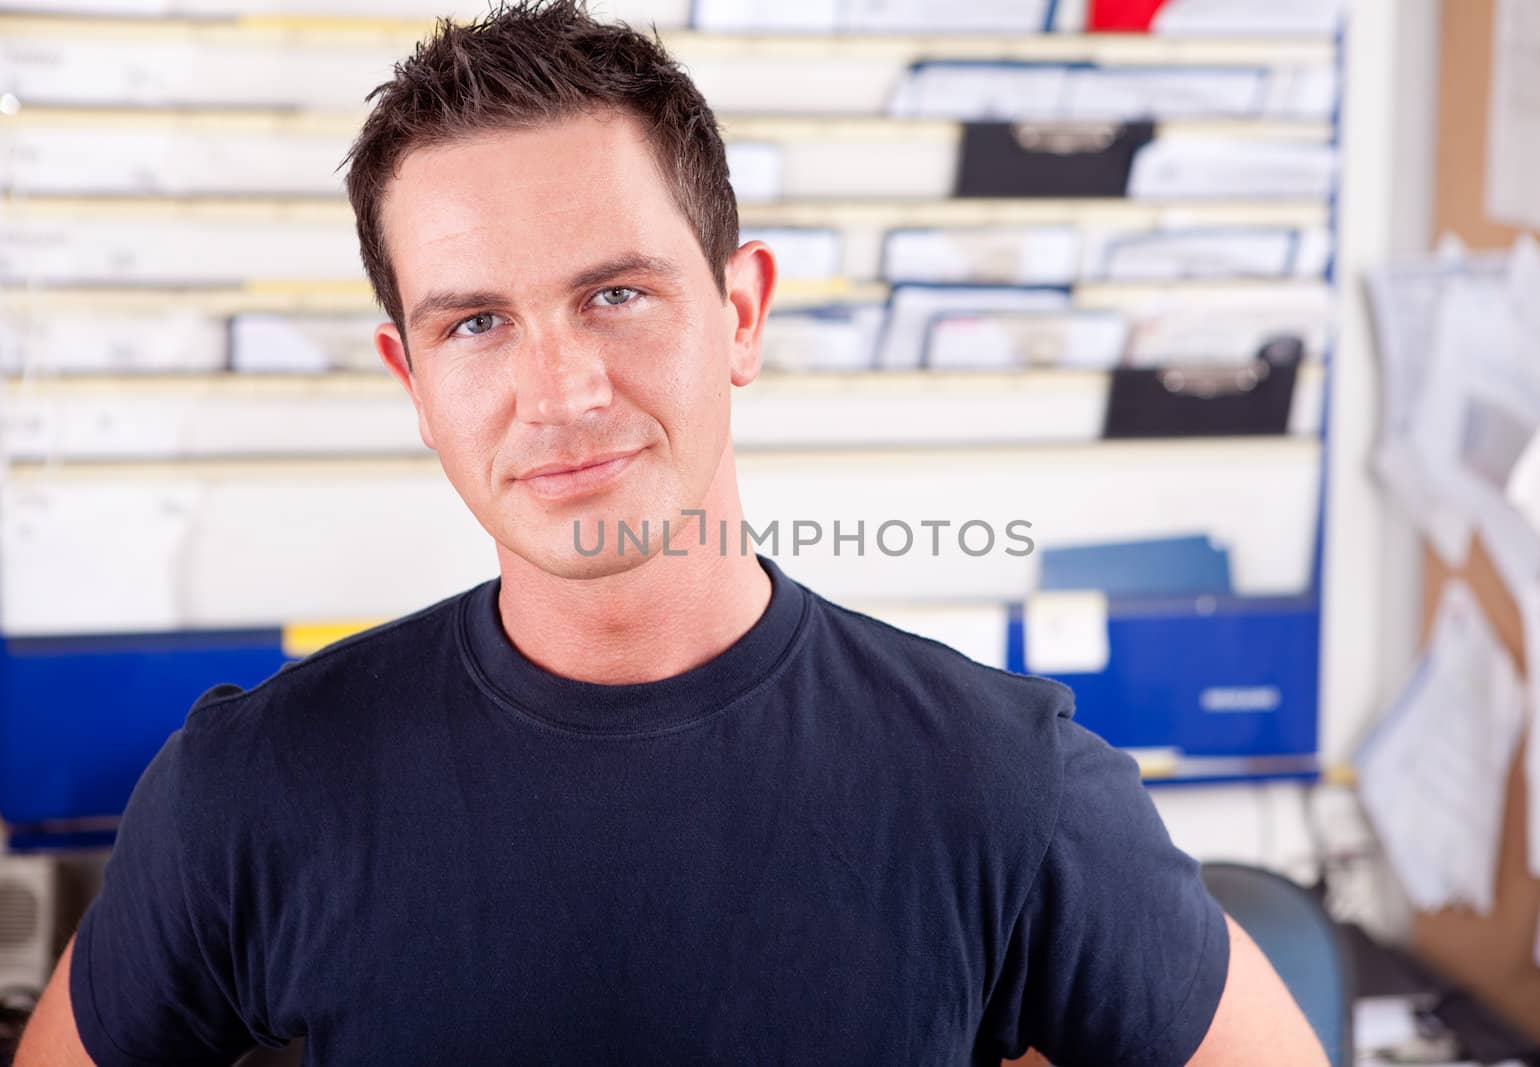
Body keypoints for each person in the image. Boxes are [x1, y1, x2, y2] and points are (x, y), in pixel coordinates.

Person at [19, 2, 1327, 1064]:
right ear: (411, 379)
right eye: (476, 323)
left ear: (741, 312)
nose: (563, 390)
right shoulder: (257, 785)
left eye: (617, 294)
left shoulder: (1006, 787)